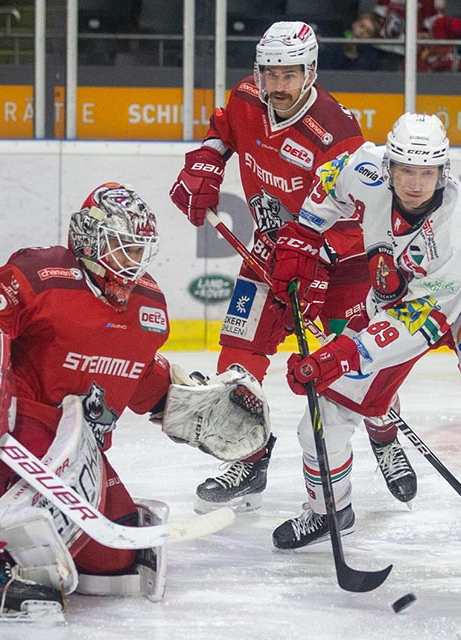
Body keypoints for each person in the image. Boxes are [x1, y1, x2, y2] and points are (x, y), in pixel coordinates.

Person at [0, 182, 271, 623]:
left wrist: (184, 403)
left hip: (76, 449)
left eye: (139, 250)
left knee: (118, 556)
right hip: (1, 429)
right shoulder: (42, 274)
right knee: (49, 518)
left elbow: (138, 371)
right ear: (88, 237)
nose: (132, 263)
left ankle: (53, 546)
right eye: (122, 248)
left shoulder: (148, 305)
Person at [266, 113, 461, 575]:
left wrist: (347, 352)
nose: (416, 182)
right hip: (397, 299)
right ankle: (330, 510)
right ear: (390, 166)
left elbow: (419, 323)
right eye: (406, 170)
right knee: (320, 420)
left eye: (427, 172)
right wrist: (303, 235)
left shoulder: (457, 232)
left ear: (444, 171)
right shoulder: (367, 170)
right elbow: (331, 180)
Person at [170, 21, 418, 514]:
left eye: (290, 75)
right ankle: (250, 458)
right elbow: (223, 130)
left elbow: (359, 212)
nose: (277, 86)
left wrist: (313, 261)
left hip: (340, 264)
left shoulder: (338, 133)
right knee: (238, 354)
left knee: (357, 362)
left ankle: (384, 434)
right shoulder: (246, 97)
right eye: (270, 74)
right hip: (268, 250)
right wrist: (204, 165)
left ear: (311, 72)